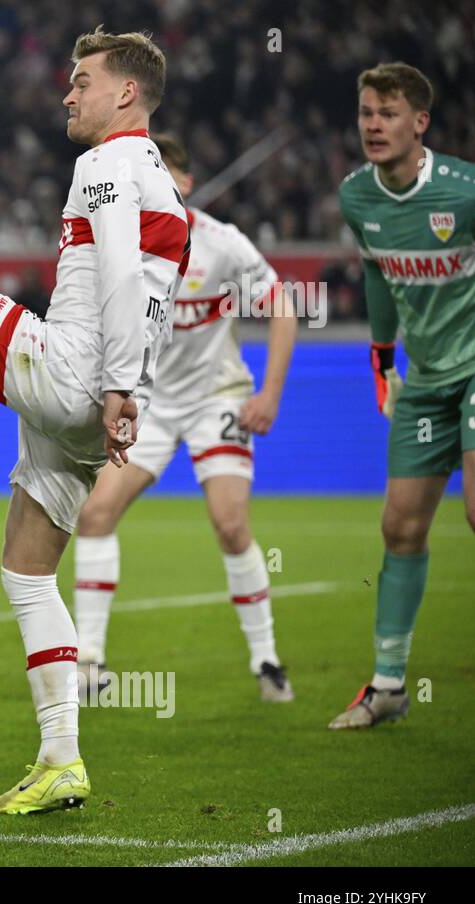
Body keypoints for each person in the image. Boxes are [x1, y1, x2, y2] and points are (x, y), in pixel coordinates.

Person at [0, 28, 189, 814]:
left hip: (72, 373)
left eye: (82, 80)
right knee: (26, 570)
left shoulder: (109, 162)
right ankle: (62, 760)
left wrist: (116, 381)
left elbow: (123, 273)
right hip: (91, 416)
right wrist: (125, 392)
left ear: (126, 93)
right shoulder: (161, 181)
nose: (68, 92)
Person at [71, 133, 298, 702]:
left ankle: (267, 660)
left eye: (163, 174)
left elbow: (283, 307)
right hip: (146, 402)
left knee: (229, 524)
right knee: (96, 514)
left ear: (187, 183)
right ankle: (90, 664)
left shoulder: (221, 245)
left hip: (215, 397)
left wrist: (268, 394)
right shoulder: (119, 245)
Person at [331, 62, 475, 729]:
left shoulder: (466, 191)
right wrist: (382, 361)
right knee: (400, 527)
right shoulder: (358, 197)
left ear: (420, 123)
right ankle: (388, 688)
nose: (373, 125)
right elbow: (379, 278)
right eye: (365, 113)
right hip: (425, 381)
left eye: (387, 114)